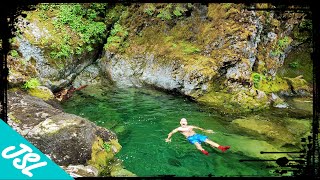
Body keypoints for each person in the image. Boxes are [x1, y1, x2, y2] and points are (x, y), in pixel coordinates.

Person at [165, 118, 230, 155]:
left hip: (197, 135)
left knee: (208, 141)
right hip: (190, 138)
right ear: (180, 123)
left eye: (185, 121)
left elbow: (199, 128)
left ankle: (221, 148)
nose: (183, 122)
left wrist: (206, 131)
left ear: (187, 122)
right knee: (197, 144)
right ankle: (203, 151)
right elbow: (171, 133)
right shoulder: (179, 129)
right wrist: (168, 138)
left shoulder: (191, 126)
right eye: (182, 121)